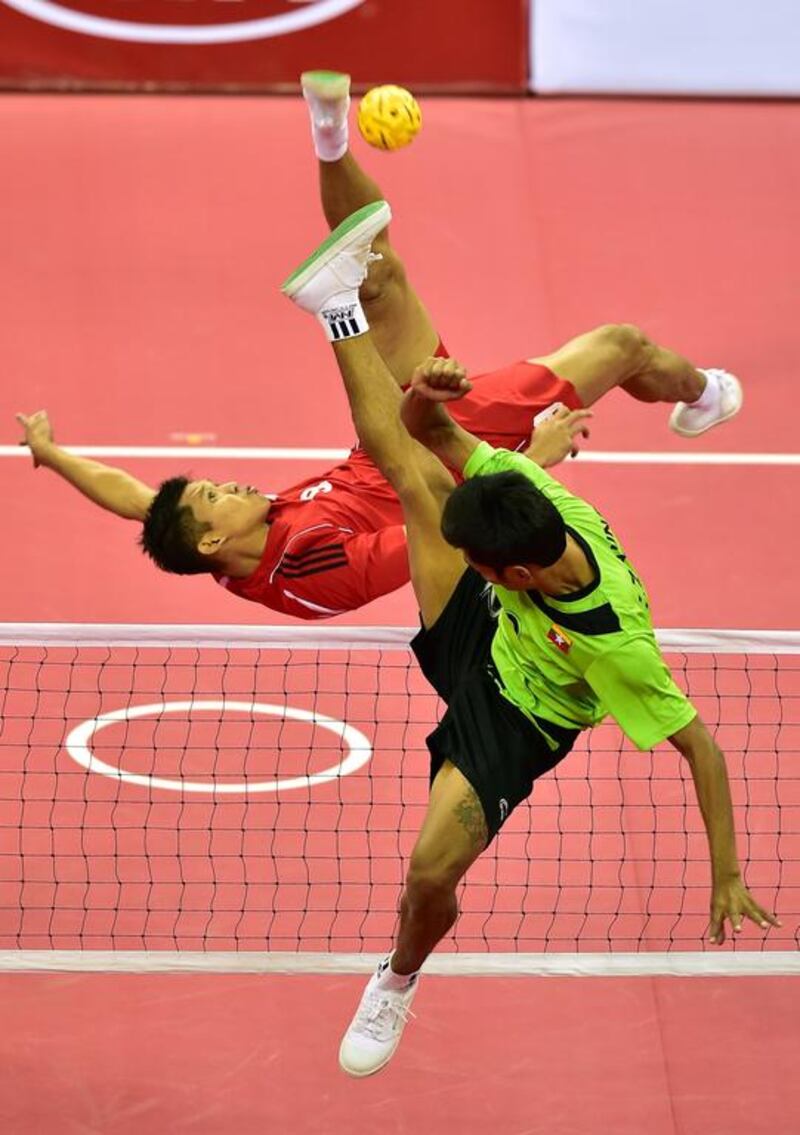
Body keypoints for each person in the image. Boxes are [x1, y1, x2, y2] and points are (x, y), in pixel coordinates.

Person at [279, 196, 779, 1077]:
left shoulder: (617, 649)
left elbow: (701, 747)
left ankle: (395, 978)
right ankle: (341, 308)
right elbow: (426, 437)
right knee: (406, 476)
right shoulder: (517, 486)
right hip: (490, 630)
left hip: (522, 716)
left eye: (469, 552)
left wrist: (728, 872)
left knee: (430, 873)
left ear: (505, 572)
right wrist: (429, 396)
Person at [16, 72, 742, 622]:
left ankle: (329, 134)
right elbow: (449, 530)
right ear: (212, 542)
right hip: (456, 460)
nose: (234, 485)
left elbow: (135, 501)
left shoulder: (204, 537)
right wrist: (533, 460)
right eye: (218, 496)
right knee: (623, 345)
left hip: (395, 426)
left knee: (377, 270)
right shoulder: (312, 571)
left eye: (215, 483)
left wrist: (52, 457)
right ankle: (704, 392)